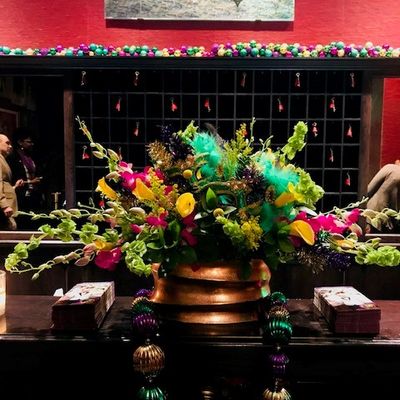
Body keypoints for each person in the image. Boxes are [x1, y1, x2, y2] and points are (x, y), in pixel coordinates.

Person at [8, 127, 44, 212]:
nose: (32, 144)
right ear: (20, 142)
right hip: (20, 196)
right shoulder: (13, 158)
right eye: (28, 142)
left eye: (32, 142)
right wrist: (30, 182)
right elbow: (12, 180)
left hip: (34, 195)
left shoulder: (31, 157)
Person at [0, 133, 23, 230]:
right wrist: (4, 205)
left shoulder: (2, 159)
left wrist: (13, 187)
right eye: (7, 143)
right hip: (4, 209)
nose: (10, 146)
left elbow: (4, 183)